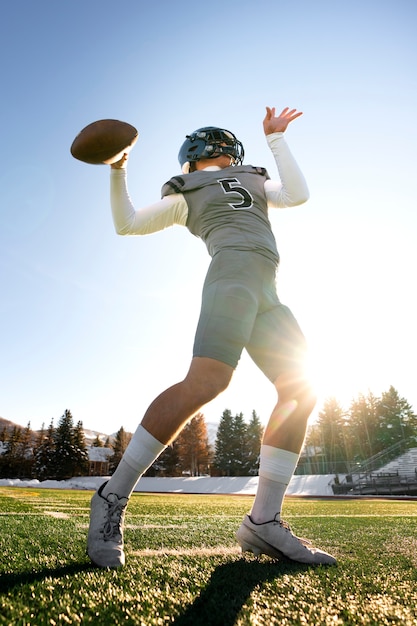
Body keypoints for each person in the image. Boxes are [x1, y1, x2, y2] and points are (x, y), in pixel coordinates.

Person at [87, 106, 337, 568]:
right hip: (232, 276)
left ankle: (263, 522)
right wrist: (118, 170)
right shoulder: (186, 192)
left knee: (300, 389)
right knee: (207, 382)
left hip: (267, 287)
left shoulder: (253, 178)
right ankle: (110, 496)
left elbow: (298, 195)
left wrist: (278, 141)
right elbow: (127, 223)